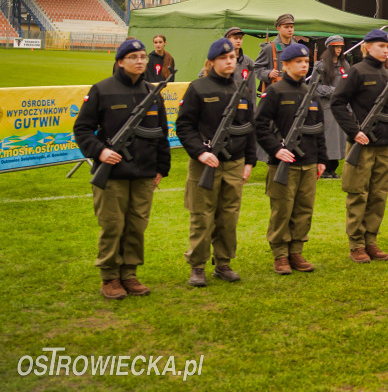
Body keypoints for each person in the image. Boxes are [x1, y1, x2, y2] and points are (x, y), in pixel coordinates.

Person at [73, 39, 171, 300]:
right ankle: (110, 277)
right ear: (120, 61)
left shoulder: (152, 92)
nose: (140, 61)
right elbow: (82, 129)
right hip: (113, 173)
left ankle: (129, 274)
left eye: (142, 57)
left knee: (136, 226)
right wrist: (100, 151)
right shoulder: (102, 90)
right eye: (133, 57)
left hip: (144, 173)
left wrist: (162, 167)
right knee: (113, 225)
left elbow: (161, 132)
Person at [176, 38, 256, 286]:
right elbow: (184, 126)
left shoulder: (241, 90)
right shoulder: (197, 88)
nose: (229, 61)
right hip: (205, 165)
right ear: (211, 62)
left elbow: (248, 128)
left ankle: (223, 263)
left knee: (229, 217)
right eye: (224, 58)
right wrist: (200, 152)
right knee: (202, 216)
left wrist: (249, 162)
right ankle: (197, 266)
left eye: (232, 57)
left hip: (234, 163)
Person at [253, 43, 327, 275]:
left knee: (304, 210)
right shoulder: (275, 91)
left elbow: (318, 128)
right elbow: (260, 124)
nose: (304, 65)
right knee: (282, 210)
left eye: (306, 62)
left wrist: (322, 159)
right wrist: (275, 149)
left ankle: (296, 251)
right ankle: (280, 255)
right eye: (298, 62)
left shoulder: (311, 92)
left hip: (309, 161)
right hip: (284, 163)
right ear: (285, 65)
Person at [331, 29, 388, 263]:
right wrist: (354, 131)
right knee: (358, 194)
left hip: (384, 144)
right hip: (362, 145)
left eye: (387, 46)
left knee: (378, 195)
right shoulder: (356, 72)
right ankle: (356, 245)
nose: (385, 49)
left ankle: (371, 241)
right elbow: (338, 103)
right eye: (380, 46)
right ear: (367, 47)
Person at [314, 35, 349, 178]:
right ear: (330, 48)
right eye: (336, 47)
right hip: (327, 106)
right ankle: (325, 168)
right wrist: (333, 92)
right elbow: (314, 87)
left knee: (340, 138)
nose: (339, 49)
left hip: (342, 107)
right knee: (329, 137)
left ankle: (333, 168)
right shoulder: (321, 66)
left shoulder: (345, 65)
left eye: (341, 47)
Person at [254, 13, 298, 90]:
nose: (290, 29)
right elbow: (256, 68)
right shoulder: (270, 47)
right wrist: (268, 73)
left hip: (293, 90)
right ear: (278, 28)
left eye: (291, 27)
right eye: (286, 27)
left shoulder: (297, 48)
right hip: (275, 91)